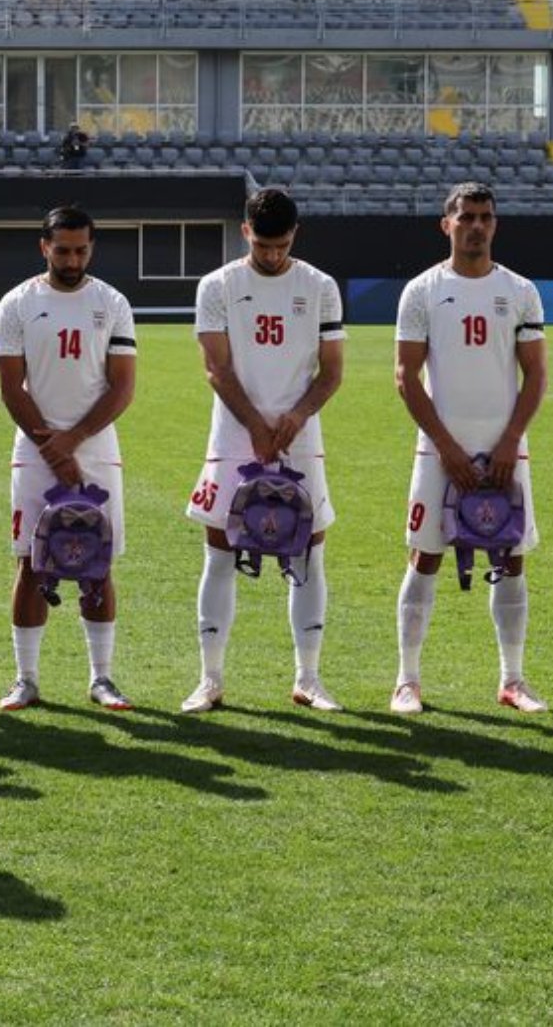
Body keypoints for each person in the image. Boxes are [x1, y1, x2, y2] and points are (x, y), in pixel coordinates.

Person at [181, 188, 345, 713]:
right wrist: (254, 423)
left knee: (309, 550)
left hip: (301, 436)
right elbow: (215, 367)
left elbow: (333, 370)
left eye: (282, 245)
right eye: (264, 244)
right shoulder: (218, 285)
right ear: (246, 230)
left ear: (294, 236)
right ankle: (210, 679)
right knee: (220, 548)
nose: (272, 255)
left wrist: (295, 417)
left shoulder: (319, 286)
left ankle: (309, 677)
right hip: (233, 434)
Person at [389, 182, 549, 715]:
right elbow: (406, 376)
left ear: (495, 225)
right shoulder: (422, 290)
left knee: (513, 556)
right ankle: (407, 680)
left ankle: (513, 679)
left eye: (485, 216)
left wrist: (509, 440)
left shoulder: (521, 290)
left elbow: (536, 374)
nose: (476, 226)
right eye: (466, 217)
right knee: (425, 553)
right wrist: (445, 447)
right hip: (439, 450)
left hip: (505, 446)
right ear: (447, 224)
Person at [0, 206, 138, 712]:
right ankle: (25, 679)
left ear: (91, 249)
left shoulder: (112, 303)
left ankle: (102, 678)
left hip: (96, 449)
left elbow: (123, 387)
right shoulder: (17, 303)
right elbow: (10, 387)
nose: (72, 259)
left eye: (81, 250)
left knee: (97, 562)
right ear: (44, 247)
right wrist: (50, 446)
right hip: (34, 452)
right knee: (32, 561)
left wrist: (71, 441)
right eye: (63, 249)